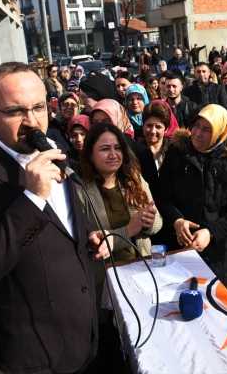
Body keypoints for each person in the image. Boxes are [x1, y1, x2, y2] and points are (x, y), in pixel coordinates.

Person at [0, 62, 111, 372]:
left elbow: (62, 221)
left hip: (85, 339)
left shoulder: (51, 148)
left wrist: (88, 233)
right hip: (34, 355)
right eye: (17, 111)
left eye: (39, 107)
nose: (32, 121)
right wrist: (31, 200)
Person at [74, 123, 161, 372]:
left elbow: (156, 226)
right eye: (104, 149)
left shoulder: (133, 179)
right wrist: (128, 230)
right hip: (104, 284)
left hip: (140, 278)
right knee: (111, 353)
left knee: (143, 346)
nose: (113, 154)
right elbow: (90, 244)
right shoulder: (79, 189)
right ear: (90, 154)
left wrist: (149, 221)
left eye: (117, 148)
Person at [158, 104, 227, 298]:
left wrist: (211, 232)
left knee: (219, 310)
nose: (197, 134)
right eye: (196, 126)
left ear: (220, 132)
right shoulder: (177, 152)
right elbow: (162, 195)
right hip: (182, 247)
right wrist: (177, 221)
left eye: (207, 129)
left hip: (222, 256)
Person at [89, 99, 159, 189]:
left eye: (106, 121)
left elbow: (153, 192)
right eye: (95, 123)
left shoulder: (141, 153)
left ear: (119, 120)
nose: (100, 127)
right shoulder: (90, 150)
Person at [140, 100, 176, 171]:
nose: (153, 131)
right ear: (143, 126)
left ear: (166, 129)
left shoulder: (174, 150)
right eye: (149, 125)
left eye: (158, 127)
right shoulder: (134, 150)